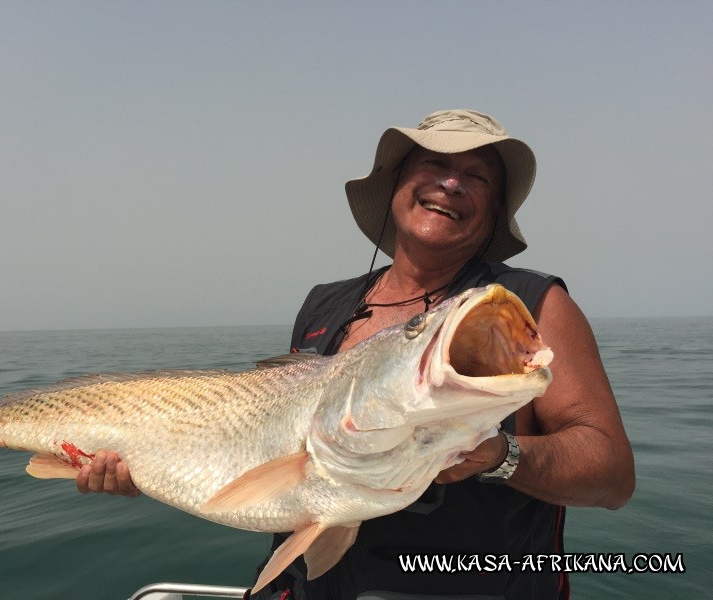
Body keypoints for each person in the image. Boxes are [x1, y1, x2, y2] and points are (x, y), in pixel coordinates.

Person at [78, 109, 635, 599]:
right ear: (395, 186)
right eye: (433, 166)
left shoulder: (533, 306)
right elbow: (268, 434)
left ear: (492, 213)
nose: (451, 183)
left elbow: (612, 474)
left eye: (477, 177)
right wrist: (146, 464)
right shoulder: (326, 303)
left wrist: (499, 455)